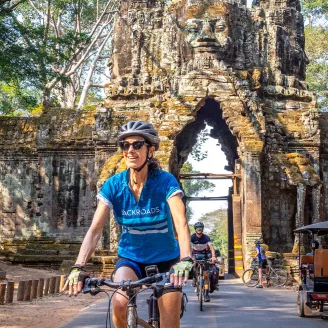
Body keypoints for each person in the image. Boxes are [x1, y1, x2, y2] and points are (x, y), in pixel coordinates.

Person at [62, 120, 193, 328]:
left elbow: (181, 222)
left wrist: (185, 260)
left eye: (137, 145)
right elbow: (95, 229)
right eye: (125, 145)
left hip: (167, 259)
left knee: (170, 323)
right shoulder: (114, 185)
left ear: (150, 150)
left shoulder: (165, 181)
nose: (130, 150)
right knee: (119, 302)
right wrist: (78, 266)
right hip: (130, 258)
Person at [190, 221, 217, 302]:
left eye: (200, 228)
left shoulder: (206, 238)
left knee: (206, 275)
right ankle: (194, 278)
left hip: (204, 256)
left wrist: (213, 257)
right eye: (198, 228)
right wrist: (189, 256)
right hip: (195, 256)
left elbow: (211, 248)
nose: (199, 229)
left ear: (202, 229)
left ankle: (206, 294)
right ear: (195, 229)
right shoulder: (192, 237)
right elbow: (188, 247)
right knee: (192, 266)